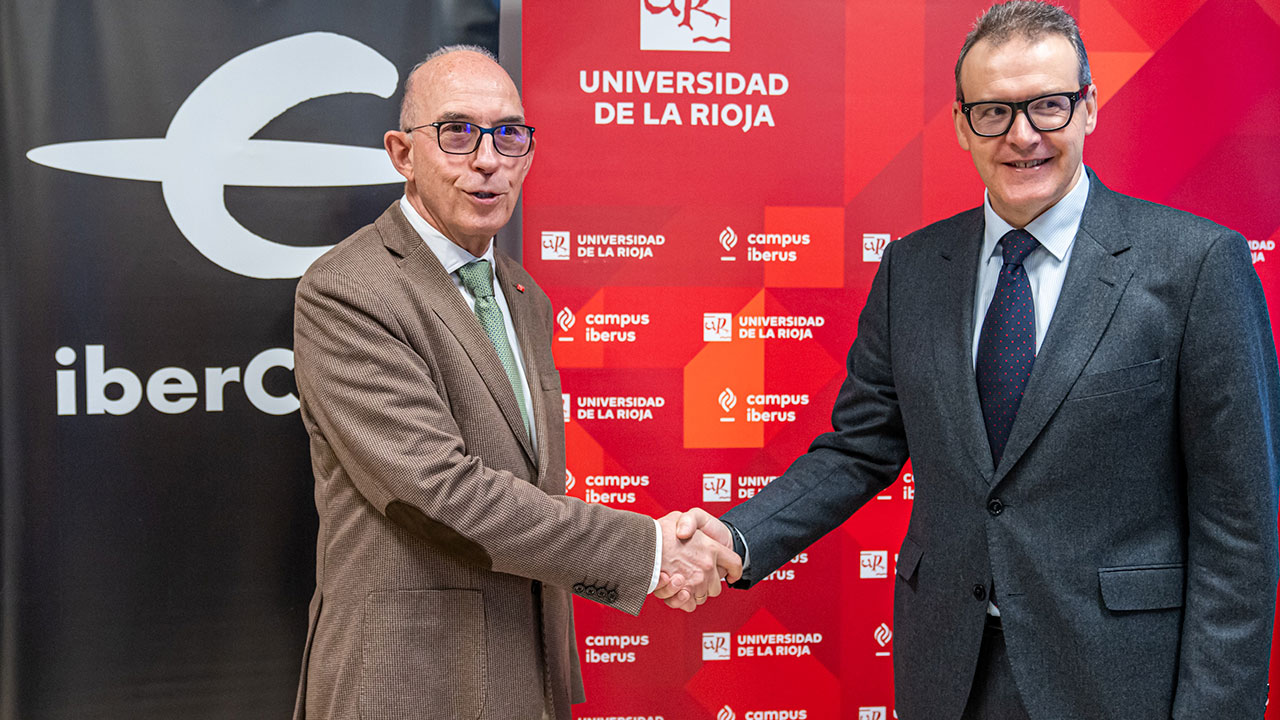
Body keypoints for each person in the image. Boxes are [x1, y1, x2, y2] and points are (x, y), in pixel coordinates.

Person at [664, 2, 1280, 717]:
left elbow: (1237, 524)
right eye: (993, 112)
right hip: (950, 673)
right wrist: (738, 537)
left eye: (1048, 106)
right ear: (961, 124)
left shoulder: (1196, 264)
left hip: (1119, 680)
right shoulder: (913, 268)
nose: (1022, 136)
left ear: (1088, 108)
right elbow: (858, 450)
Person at [291, 46, 740, 720]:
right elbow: (442, 494)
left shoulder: (522, 293)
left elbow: (530, 489)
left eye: (508, 134)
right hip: (408, 685)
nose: (487, 159)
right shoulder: (349, 290)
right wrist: (648, 550)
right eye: (457, 132)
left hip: (527, 677)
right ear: (401, 153)